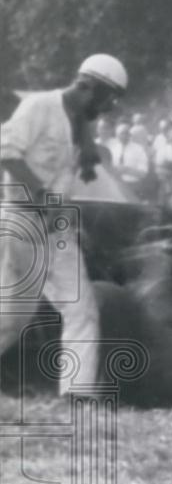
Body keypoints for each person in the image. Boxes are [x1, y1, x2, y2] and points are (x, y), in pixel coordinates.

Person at [0, 53, 127, 395]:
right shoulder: (39, 107)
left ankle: (77, 395)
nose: (107, 108)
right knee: (11, 321)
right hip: (22, 220)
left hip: (55, 228)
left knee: (81, 308)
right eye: (108, 98)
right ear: (89, 87)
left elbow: (78, 152)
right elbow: (7, 152)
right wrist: (45, 198)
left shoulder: (80, 121)